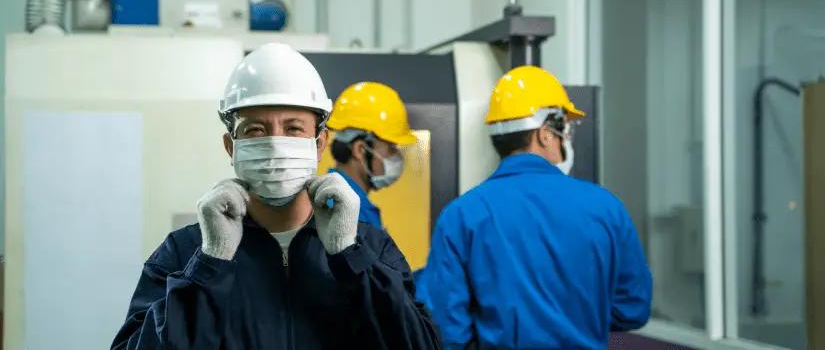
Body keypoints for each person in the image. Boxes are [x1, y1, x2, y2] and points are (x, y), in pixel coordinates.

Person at [110, 43, 442, 350]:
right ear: (231, 146)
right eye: (256, 129)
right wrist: (210, 265)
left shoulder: (373, 249)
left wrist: (349, 256)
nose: (275, 145)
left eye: (294, 128)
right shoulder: (183, 254)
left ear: (320, 142)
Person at [417, 66, 652, 350]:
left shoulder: (461, 215)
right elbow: (632, 308)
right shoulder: (606, 208)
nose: (567, 139)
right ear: (545, 133)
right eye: (565, 129)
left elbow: (445, 325)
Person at [325, 81, 418, 229]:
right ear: (360, 150)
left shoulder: (340, 201)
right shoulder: (347, 213)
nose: (396, 156)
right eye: (391, 148)